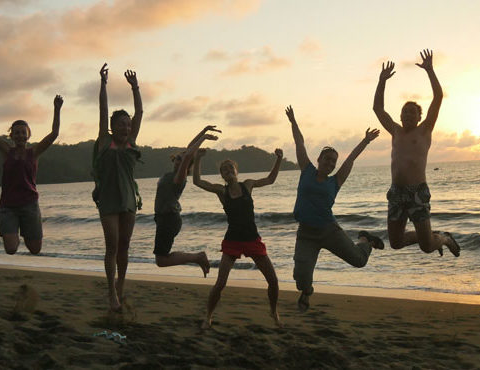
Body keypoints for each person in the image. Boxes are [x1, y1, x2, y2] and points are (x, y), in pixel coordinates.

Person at [286, 105, 383, 312]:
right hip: (306, 234)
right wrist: (293, 122)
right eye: (327, 159)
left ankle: (365, 240)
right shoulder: (306, 170)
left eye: (333, 161)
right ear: (319, 159)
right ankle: (307, 292)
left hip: (329, 231)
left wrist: (365, 140)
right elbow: (299, 142)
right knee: (301, 279)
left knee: (359, 261)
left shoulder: (335, 181)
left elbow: (351, 159)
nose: (330, 163)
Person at [372, 49, 460, 258]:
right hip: (396, 192)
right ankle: (432, 235)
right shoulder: (395, 130)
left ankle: (444, 238)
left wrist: (430, 70)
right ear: (400, 116)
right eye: (405, 111)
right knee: (395, 243)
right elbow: (377, 108)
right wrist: (382, 80)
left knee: (427, 246)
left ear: (420, 117)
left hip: (417, 192)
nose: (409, 114)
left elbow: (438, 97)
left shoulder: (425, 130)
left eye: (413, 112)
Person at [193, 147, 284, 328]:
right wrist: (198, 159)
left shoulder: (248, 184)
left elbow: (270, 179)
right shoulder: (221, 191)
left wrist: (279, 159)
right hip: (232, 241)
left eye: (230, 168)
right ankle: (208, 317)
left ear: (236, 171)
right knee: (220, 284)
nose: (228, 171)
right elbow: (197, 181)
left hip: (252, 239)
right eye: (224, 170)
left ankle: (274, 312)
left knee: (273, 281)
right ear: (222, 176)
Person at [0, 89, 63, 255]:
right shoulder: (6, 151)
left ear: (28, 135)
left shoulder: (34, 152)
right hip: (8, 206)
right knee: (11, 249)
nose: (20, 135)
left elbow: (54, 134)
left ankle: (25, 230)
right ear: (12, 135)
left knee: (35, 249)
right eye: (17, 133)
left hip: (30, 205)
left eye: (23, 132)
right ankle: (13, 230)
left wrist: (57, 110)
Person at [92, 63, 143, 312]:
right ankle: (111, 292)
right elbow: (103, 110)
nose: (125, 127)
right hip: (109, 201)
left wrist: (135, 87)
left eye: (128, 124)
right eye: (120, 124)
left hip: (129, 201)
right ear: (113, 127)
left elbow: (140, 112)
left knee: (124, 245)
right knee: (111, 246)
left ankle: (120, 285)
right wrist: (103, 84)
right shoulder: (105, 141)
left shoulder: (132, 142)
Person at [153, 125, 220, 275]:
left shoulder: (179, 178)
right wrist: (203, 131)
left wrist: (203, 139)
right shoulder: (170, 174)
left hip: (169, 219)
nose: (179, 161)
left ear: (186, 167)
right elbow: (189, 150)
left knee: (161, 260)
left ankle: (198, 257)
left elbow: (189, 155)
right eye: (178, 158)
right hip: (163, 219)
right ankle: (197, 257)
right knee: (161, 259)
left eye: (182, 161)